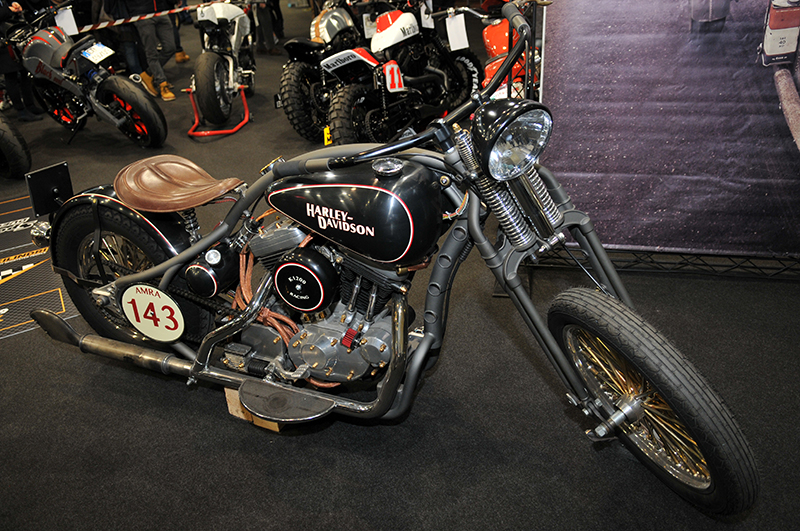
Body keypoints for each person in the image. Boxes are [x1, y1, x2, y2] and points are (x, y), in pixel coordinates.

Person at [0, 0, 44, 121]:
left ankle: (30, 105)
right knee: (11, 76)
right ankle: (21, 111)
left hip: (12, 36)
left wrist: (15, 4)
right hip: (2, 43)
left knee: (24, 72)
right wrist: (9, 10)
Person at [127, 0, 177, 101]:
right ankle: (162, 83)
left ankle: (148, 73)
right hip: (142, 13)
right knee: (151, 52)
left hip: (161, 10)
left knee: (170, 48)